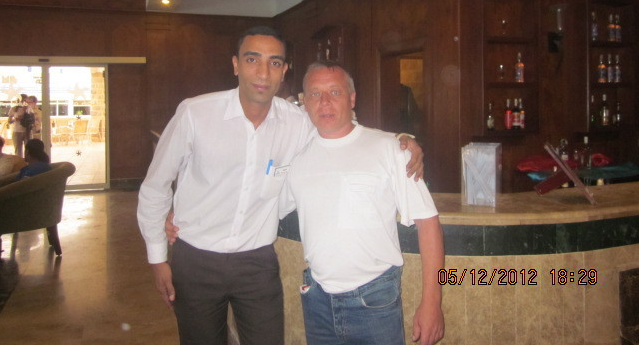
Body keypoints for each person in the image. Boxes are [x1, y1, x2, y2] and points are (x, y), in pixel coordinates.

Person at [138, 26, 424, 345]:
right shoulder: (196, 113)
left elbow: (344, 126)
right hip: (196, 259)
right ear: (235, 64)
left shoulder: (297, 122)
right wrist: (157, 258)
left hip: (257, 264)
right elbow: (155, 186)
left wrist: (401, 140)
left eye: (274, 62)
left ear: (284, 70)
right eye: (252, 60)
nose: (263, 72)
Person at [278, 62, 444, 345]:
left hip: (374, 300)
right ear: (304, 103)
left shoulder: (391, 149)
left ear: (352, 98)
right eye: (315, 94)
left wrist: (432, 303)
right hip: (317, 299)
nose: (325, 102)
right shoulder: (296, 158)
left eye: (335, 92)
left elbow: (428, 224)